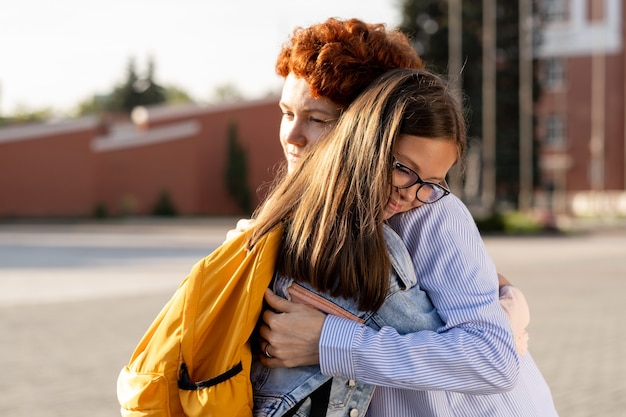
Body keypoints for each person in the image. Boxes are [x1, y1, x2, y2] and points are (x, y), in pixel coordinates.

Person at [248, 68, 557, 416]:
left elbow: (491, 357)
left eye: (432, 181)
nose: (410, 194)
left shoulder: (431, 212)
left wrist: (327, 342)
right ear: (364, 139)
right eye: (403, 169)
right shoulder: (306, 226)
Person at [227, 17, 529, 352]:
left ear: (369, 122)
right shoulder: (296, 220)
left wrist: (509, 312)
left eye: (317, 119)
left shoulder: (428, 212)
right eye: (287, 114)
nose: (292, 137)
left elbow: (486, 352)